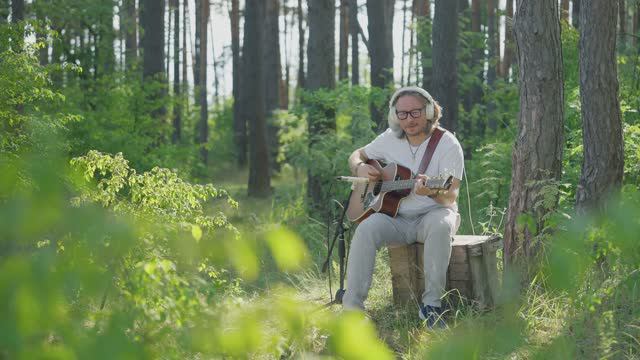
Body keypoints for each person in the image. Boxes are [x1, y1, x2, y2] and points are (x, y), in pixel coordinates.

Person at [343, 86, 464, 328]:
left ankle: (432, 307)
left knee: (440, 225)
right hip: (396, 217)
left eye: (415, 112)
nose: (409, 119)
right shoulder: (390, 138)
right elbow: (356, 154)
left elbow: (450, 196)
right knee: (365, 229)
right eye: (402, 114)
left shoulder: (447, 144)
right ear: (394, 116)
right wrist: (359, 168)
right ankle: (352, 310)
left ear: (429, 111)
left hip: (433, 214)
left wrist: (431, 191)